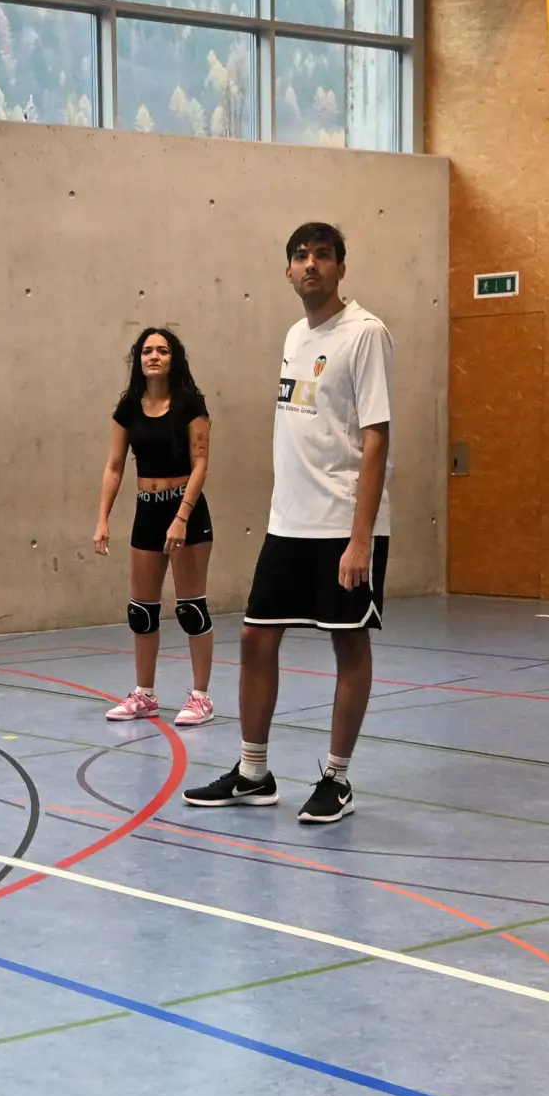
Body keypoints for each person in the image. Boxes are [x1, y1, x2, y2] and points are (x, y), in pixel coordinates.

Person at [183, 223, 393, 826]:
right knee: (255, 637)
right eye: (300, 257)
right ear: (287, 271)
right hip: (289, 524)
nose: (310, 266)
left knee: (348, 642)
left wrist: (361, 538)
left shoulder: (366, 334)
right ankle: (254, 772)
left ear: (340, 268)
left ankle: (337, 778)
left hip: (344, 525)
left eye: (322, 256)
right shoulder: (296, 334)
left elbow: (376, 439)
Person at [90, 326, 218, 727]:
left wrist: (181, 517)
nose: (154, 356)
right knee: (141, 612)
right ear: (139, 360)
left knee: (190, 608)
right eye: (147, 350)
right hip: (147, 510)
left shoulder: (190, 404)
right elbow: (114, 467)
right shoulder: (129, 407)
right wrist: (103, 519)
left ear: (173, 358)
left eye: (162, 350)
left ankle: (201, 697)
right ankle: (144, 695)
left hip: (187, 513)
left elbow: (201, 464)